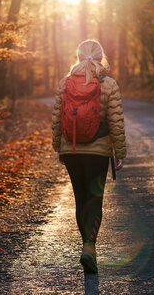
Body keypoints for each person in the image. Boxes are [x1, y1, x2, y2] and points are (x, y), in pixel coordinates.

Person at [51, 39, 127, 274]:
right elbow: (115, 121)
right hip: (98, 153)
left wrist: (59, 148)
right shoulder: (109, 84)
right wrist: (120, 153)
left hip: (72, 150)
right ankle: (89, 247)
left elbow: (57, 119)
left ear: (78, 56)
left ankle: (86, 247)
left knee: (80, 199)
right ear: (101, 56)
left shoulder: (65, 83)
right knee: (94, 199)